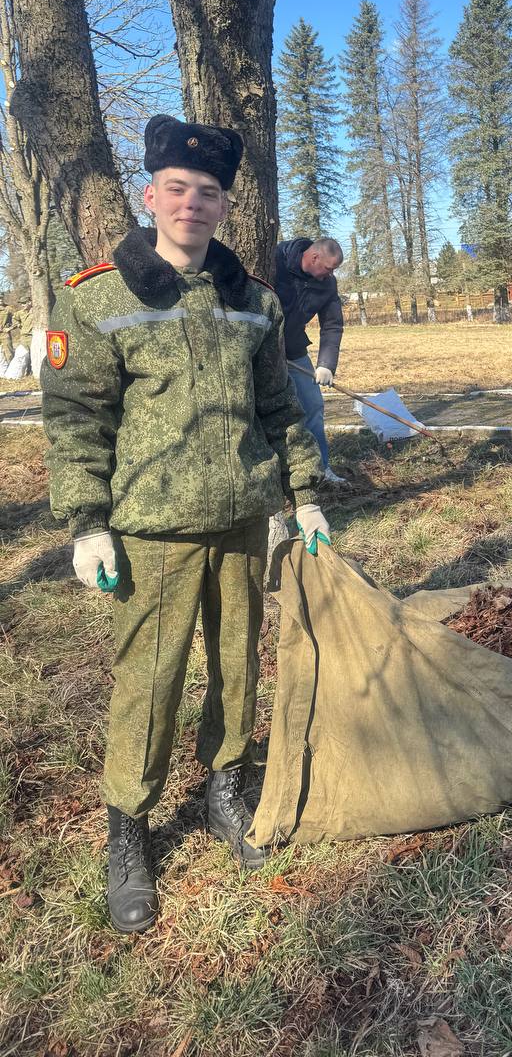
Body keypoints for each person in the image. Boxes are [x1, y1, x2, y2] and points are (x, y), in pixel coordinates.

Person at [41, 115, 329, 934]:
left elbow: (280, 410)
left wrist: (304, 496)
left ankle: (225, 790)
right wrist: (87, 522)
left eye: (207, 192)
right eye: (176, 189)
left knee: (237, 668)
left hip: (242, 523)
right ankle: (129, 829)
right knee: (151, 681)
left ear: (225, 205)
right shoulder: (98, 297)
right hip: (151, 530)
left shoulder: (254, 301)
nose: (191, 204)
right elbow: (77, 420)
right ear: (151, 196)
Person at [273, 235, 347, 484]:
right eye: (328, 268)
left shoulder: (327, 285)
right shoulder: (275, 260)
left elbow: (332, 325)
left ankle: (322, 468)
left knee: (313, 406)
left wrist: (326, 364)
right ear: (314, 257)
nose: (330, 275)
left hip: (294, 350)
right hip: (260, 350)